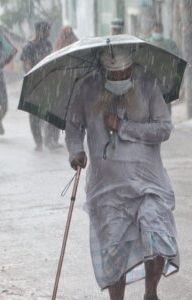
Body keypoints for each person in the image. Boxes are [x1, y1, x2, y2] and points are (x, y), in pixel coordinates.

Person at [65, 48, 179, 300]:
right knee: (113, 249)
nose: (119, 79)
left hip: (148, 182)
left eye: (124, 73)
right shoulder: (86, 89)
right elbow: (73, 126)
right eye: (113, 75)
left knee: (156, 231)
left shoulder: (148, 85)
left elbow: (163, 129)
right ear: (104, 71)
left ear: (132, 68)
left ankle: (151, 292)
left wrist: (123, 126)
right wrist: (75, 151)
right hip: (107, 188)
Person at [21, 21, 61, 151]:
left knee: (51, 111)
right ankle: (38, 142)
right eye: (47, 31)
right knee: (34, 114)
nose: (49, 34)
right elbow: (26, 65)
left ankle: (49, 140)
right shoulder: (28, 47)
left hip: (48, 83)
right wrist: (34, 77)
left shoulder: (47, 44)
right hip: (33, 83)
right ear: (40, 31)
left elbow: (51, 60)